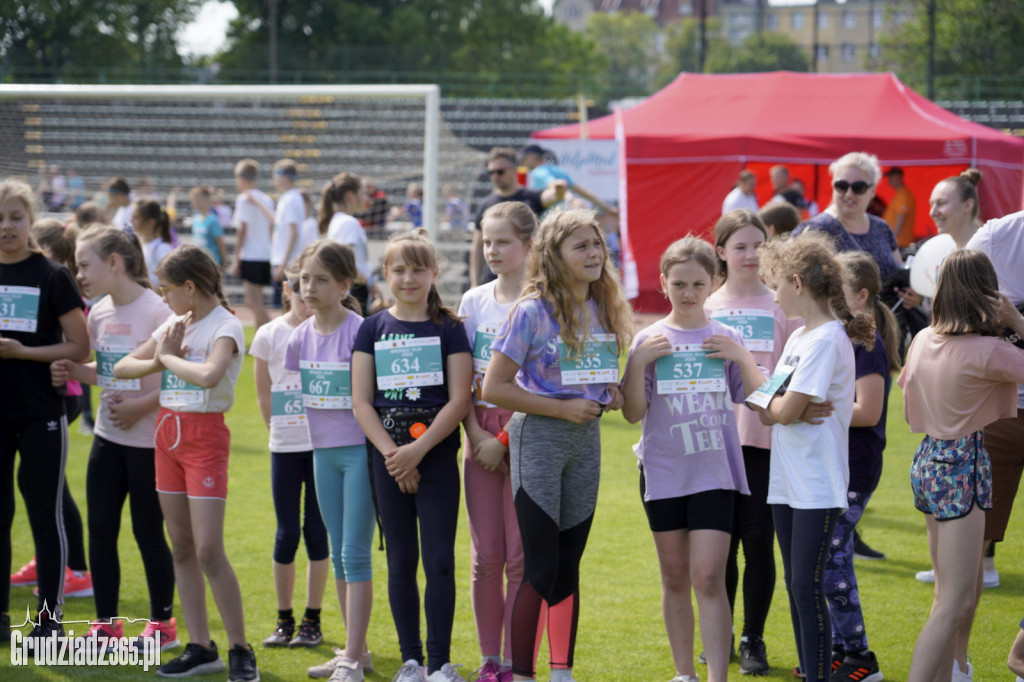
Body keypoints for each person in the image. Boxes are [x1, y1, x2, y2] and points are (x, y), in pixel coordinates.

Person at [482, 209, 634, 682]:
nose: (593, 254)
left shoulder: (605, 306)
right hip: (540, 440)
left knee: (569, 566)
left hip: (585, 442)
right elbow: (493, 387)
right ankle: (522, 675)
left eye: (597, 244)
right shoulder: (530, 311)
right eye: (581, 246)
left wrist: (609, 392)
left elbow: (599, 380)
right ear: (554, 254)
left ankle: (561, 673)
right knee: (540, 568)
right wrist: (562, 408)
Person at [621, 236, 765, 682]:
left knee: (709, 576)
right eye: (679, 283)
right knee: (676, 577)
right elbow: (631, 414)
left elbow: (759, 399)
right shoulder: (648, 338)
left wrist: (741, 355)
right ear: (663, 283)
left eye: (698, 283)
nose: (688, 292)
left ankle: (717, 676)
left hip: (714, 473)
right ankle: (684, 674)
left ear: (713, 282)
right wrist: (637, 364)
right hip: (662, 473)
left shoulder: (727, 337)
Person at [114, 245, 257, 681]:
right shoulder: (176, 324)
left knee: (210, 549)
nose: (164, 299)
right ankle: (200, 646)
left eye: (168, 290)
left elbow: (210, 375)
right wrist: (165, 354)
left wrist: (164, 358)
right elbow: (122, 367)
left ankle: (239, 649)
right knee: (182, 547)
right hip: (167, 435)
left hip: (204, 437)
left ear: (190, 287)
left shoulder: (226, 324)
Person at [751, 232, 874, 682]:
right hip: (789, 482)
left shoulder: (823, 340)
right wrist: (782, 404)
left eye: (777, 283)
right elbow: (770, 412)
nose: (774, 293)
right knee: (797, 587)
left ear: (798, 283)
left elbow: (777, 409)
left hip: (817, 485)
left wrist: (782, 404)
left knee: (806, 587)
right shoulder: (801, 337)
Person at [50, 224, 178, 652]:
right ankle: (106, 625)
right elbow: (106, 374)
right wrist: (74, 372)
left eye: (83, 265)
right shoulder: (99, 312)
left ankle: (162, 624)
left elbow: (180, 383)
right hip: (107, 440)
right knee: (101, 531)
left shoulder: (159, 311)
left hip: (148, 444)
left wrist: (142, 407)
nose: (78, 274)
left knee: (147, 532)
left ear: (114, 262)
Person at [352, 230, 473, 682]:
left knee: (439, 558)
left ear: (434, 273)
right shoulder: (372, 327)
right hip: (387, 462)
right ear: (385, 274)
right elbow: (362, 401)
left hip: (436, 458)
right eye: (399, 269)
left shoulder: (450, 327)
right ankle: (411, 662)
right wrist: (393, 455)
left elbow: (459, 399)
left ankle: (440, 664)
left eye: (418, 269)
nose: (408, 278)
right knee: (401, 560)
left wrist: (418, 452)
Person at [899, 250, 1024, 682]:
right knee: (953, 602)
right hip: (962, 466)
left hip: (929, 461)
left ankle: (951, 674)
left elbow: (907, 402)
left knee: (953, 596)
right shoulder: (988, 351)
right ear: (988, 293)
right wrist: (1018, 323)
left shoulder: (922, 340)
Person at [706, 209, 802, 675]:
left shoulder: (781, 305)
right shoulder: (705, 306)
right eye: (739, 246)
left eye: (757, 245)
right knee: (717, 545)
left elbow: (791, 370)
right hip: (712, 443)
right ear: (720, 252)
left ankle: (753, 639)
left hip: (764, 441)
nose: (750, 255)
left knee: (759, 542)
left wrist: (761, 395)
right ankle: (718, 633)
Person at [0, 179, 89, 642]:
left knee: (43, 513)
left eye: (15, 216)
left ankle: (48, 621)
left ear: (30, 219)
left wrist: (23, 353)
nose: (6, 226)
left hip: (41, 414)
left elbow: (79, 344)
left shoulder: (52, 275)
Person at [287, 241, 376, 682]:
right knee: (339, 558)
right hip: (321, 453)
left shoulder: (362, 331)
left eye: (322, 279)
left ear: (345, 285)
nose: (310, 287)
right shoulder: (298, 335)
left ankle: (354, 660)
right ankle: (354, 649)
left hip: (360, 453)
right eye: (305, 278)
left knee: (355, 556)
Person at [457, 202, 537, 682]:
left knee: (519, 556)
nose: (493, 250)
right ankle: (489, 662)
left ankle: (515, 661)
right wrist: (476, 433)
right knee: (485, 555)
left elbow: (546, 385)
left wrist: (504, 438)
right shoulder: (473, 301)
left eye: (503, 241)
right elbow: (461, 381)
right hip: (479, 434)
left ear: (528, 245)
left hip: (529, 432)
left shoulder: (546, 301)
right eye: (487, 241)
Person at [826, 252, 902, 682]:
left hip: (855, 469)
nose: (831, 300)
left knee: (832, 562)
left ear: (861, 295)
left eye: (838, 292)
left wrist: (811, 406)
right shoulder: (846, 337)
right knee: (831, 560)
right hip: (839, 466)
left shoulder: (866, 343)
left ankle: (860, 658)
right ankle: (840, 650)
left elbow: (867, 412)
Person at [250, 263, 330, 650]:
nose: (306, 298)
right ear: (287, 289)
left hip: (322, 447)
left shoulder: (326, 330)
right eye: (299, 290)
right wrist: (276, 429)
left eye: (314, 287)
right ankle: (284, 619)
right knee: (287, 533)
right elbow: (263, 393)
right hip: (285, 446)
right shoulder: (268, 334)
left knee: (317, 533)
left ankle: (312, 620)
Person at [471, 147, 566, 287]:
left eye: (500, 171)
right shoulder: (485, 205)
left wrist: (558, 189)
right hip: (494, 281)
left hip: (529, 280)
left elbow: (553, 196)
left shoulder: (531, 197)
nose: (495, 176)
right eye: (491, 172)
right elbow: (478, 245)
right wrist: (474, 283)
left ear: (515, 169)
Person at [229, 158, 275, 329]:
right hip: (265, 254)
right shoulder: (267, 199)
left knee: (252, 302)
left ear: (241, 178)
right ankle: (260, 342)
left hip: (251, 255)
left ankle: (277, 333)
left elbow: (242, 230)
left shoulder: (243, 199)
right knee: (259, 301)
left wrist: (236, 257)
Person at [322, 173, 372, 315]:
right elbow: (344, 264)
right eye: (363, 193)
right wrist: (370, 282)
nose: (367, 198)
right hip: (353, 293)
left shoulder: (340, 221)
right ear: (350, 196)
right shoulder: (347, 223)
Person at [520, 144, 617, 216]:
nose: (523, 162)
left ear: (532, 157)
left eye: (524, 158)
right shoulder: (558, 170)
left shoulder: (538, 172)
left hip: (551, 222)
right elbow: (585, 192)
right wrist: (608, 209)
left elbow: (558, 186)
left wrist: (572, 200)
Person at [271, 159, 309, 302]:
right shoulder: (288, 198)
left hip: (286, 262)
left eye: (276, 176)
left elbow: (293, 233)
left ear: (285, 177)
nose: (274, 181)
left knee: (285, 306)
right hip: (284, 260)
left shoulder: (291, 199)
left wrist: (282, 264)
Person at [928, 169, 983, 250]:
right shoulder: (944, 251)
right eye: (932, 204)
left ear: (967, 205)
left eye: (941, 203)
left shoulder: (989, 250)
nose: (932, 212)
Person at [132, 199, 175, 288]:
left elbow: (169, 283)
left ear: (150, 222)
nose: (131, 220)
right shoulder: (138, 244)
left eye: (136, 217)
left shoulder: (162, 248)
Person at [190, 185, 228, 268]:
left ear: (205, 200)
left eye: (196, 199)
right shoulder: (196, 219)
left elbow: (220, 242)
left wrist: (224, 262)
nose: (193, 202)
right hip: (199, 262)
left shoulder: (212, 220)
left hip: (211, 263)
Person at [882, 168, 917, 248]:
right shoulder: (899, 194)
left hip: (901, 243)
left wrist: (892, 239)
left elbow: (901, 217)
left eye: (891, 177)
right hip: (898, 242)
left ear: (898, 177)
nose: (888, 180)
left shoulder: (903, 195)